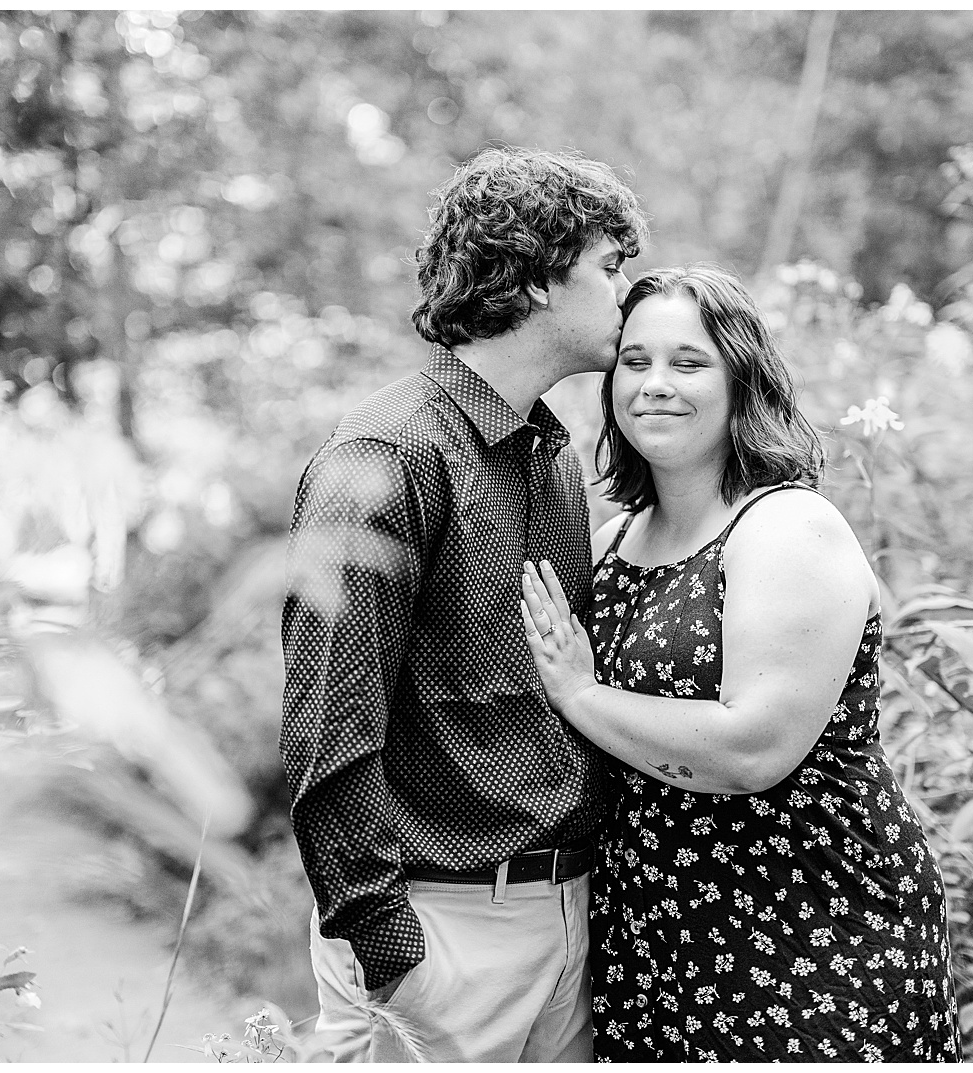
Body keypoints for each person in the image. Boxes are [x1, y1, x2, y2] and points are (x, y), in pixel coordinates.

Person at [519, 264, 959, 1061]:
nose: (656, 384)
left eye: (689, 363)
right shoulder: (609, 545)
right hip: (656, 949)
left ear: (741, 383)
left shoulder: (788, 527)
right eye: (636, 360)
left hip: (813, 934)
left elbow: (754, 748)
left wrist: (582, 694)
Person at [280, 146, 647, 1062]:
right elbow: (326, 730)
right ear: (532, 281)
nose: (625, 292)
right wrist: (395, 955)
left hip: (564, 921)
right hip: (442, 933)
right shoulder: (391, 454)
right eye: (610, 267)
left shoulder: (552, 453)